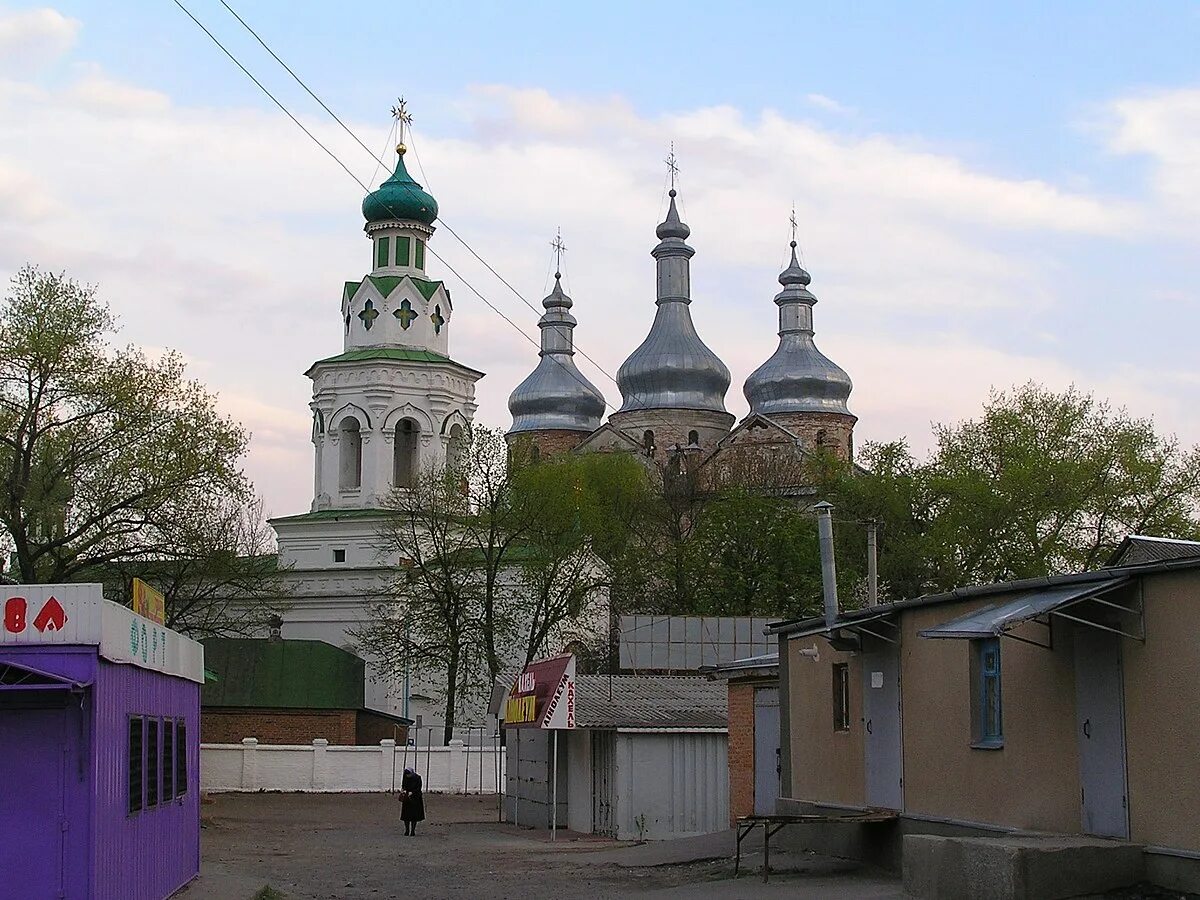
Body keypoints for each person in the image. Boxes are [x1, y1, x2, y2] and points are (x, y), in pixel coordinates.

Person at [399, 767, 425, 836]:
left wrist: (413, 792)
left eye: (408, 775)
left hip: (415, 798)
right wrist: (403, 790)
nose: (408, 776)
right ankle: (407, 830)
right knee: (406, 816)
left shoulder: (418, 778)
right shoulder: (405, 777)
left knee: (414, 816)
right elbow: (403, 785)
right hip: (407, 798)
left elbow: (419, 788)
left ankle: (413, 830)